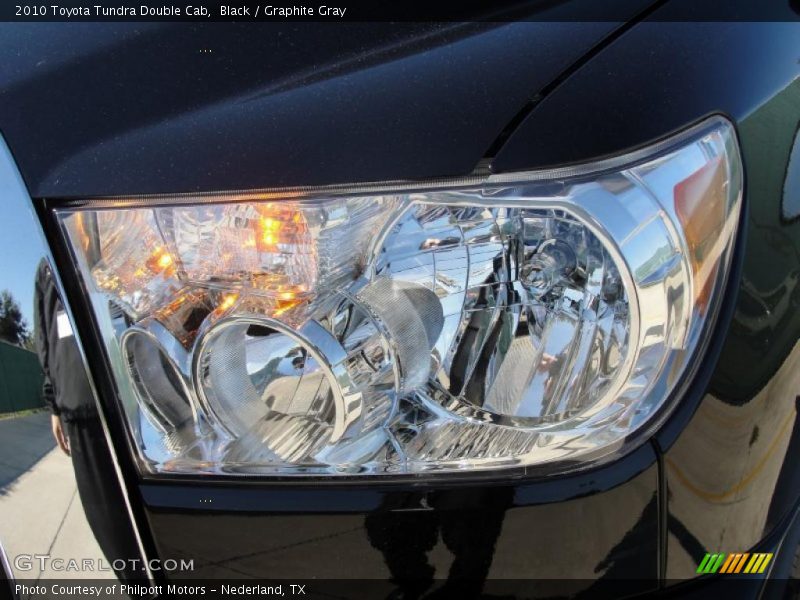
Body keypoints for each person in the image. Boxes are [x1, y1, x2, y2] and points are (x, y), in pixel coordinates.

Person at [34, 259, 144, 582]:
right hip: (90, 397)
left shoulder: (103, 238)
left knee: (114, 505)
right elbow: (46, 331)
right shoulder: (49, 264)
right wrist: (54, 401)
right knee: (108, 507)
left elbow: (44, 333)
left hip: (109, 393)